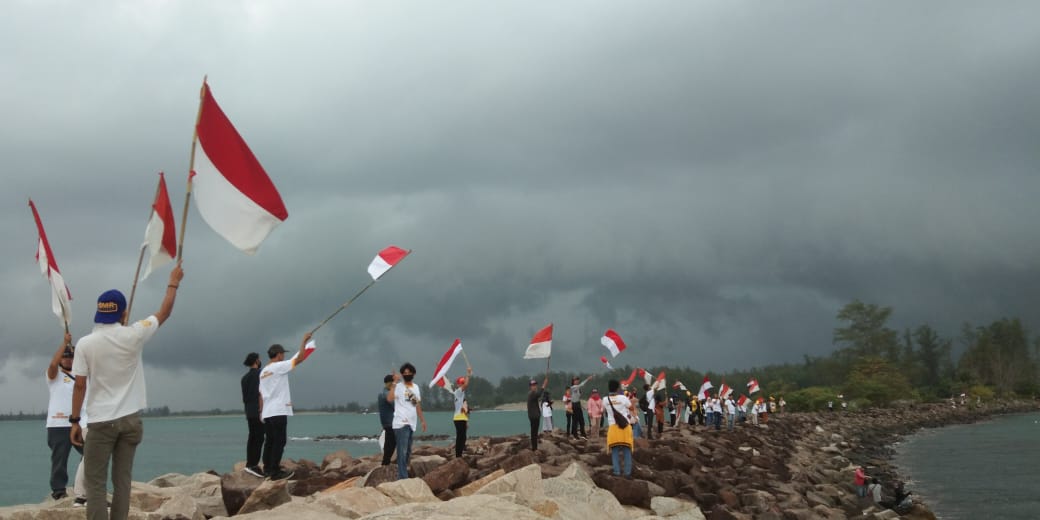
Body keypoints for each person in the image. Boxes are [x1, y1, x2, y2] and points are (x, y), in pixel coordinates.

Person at [70, 265, 183, 520]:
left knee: (95, 484)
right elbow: (164, 312)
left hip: (101, 422)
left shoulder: (85, 344)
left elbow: (79, 386)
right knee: (122, 481)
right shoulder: (135, 334)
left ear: (98, 312)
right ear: (123, 313)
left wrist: (75, 421)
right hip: (130, 421)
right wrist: (173, 282)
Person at [259, 332, 315, 481]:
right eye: (283, 354)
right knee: (279, 441)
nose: (284, 356)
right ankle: (275, 471)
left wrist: (261, 412)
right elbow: (300, 359)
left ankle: (267, 469)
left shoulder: (263, 371)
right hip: (278, 410)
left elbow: (261, 393)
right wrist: (304, 341)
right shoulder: (278, 366)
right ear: (278, 355)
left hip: (267, 412)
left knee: (270, 441)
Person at [46, 332, 86, 504]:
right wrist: (64, 343)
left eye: (71, 357)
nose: (68, 359)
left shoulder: (82, 376)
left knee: (91, 454)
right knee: (59, 459)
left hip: (80, 423)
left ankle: (83, 489)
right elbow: (52, 364)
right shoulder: (54, 376)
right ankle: (58, 491)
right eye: (65, 356)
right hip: (58, 424)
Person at [387, 362, 427, 479]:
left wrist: (422, 420)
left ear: (413, 374)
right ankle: (403, 477)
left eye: (409, 372)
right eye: (404, 373)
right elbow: (389, 398)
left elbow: (416, 404)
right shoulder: (399, 387)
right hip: (401, 423)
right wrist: (394, 382)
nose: (407, 374)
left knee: (408, 451)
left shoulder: (415, 387)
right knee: (402, 451)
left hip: (411, 424)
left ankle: (403, 474)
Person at [604, 379, 636, 478]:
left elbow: (604, 411)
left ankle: (617, 472)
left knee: (615, 451)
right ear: (618, 388)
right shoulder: (623, 398)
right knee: (627, 450)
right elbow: (631, 408)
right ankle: (627, 473)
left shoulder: (605, 399)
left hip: (613, 428)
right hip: (625, 427)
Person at [240, 352, 265, 478]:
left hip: (249, 411)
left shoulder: (244, 378)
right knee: (259, 438)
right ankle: (253, 465)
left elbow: (245, 397)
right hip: (258, 410)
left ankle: (249, 463)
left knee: (252, 437)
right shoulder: (260, 374)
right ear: (256, 361)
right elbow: (261, 393)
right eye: (259, 359)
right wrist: (261, 410)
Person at [452, 367, 473, 458]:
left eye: (463, 382)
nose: (463, 384)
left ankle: (459, 454)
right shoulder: (458, 392)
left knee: (463, 437)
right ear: (458, 384)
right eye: (461, 383)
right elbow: (466, 385)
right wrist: (468, 374)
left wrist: (466, 421)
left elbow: (464, 409)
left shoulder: (462, 395)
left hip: (462, 418)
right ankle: (458, 456)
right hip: (458, 418)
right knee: (460, 437)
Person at [377, 374, 396, 465]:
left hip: (387, 422)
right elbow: (394, 404)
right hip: (390, 423)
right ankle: (385, 462)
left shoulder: (383, 393)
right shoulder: (385, 394)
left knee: (389, 442)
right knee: (391, 442)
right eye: (392, 383)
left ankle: (386, 461)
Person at [527, 377, 548, 450]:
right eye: (532, 385)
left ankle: (534, 447)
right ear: (530, 387)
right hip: (533, 416)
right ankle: (534, 448)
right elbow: (539, 394)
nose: (534, 386)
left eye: (535, 385)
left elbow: (538, 395)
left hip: (535, 416)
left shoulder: (532, 393)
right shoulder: (531, 393)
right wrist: (544, 385)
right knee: (534, 432)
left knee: (534, 432)